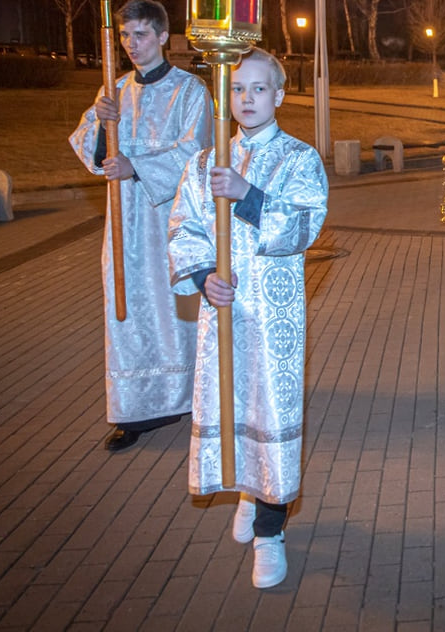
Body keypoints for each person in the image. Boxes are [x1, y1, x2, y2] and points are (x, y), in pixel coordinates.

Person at [167, 49, 329, 589]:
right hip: (223, 314)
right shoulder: (205, 161)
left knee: (270, 407)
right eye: (237, 89)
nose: (247, 99)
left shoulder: (300, 158)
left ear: (280, 95)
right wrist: (200, 275)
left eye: (259, 89)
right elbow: (184, 224)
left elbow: (306, 224)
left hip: (274, 314)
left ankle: (270, 529)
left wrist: (247, 196)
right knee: (229, 402)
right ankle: (244, 487)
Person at [68, 0, 213, 452]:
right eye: (125, 36)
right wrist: (99, 124)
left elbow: (197, 153)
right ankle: (132, 409)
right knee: (126, 311)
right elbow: (87, 146)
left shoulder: (191, 91)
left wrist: (137, 167)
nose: (132, 44)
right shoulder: (115, 91)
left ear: (163, 37)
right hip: (126, 226)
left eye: (142, 35)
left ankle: (192, 396)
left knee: (176, 309)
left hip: (171, 221)